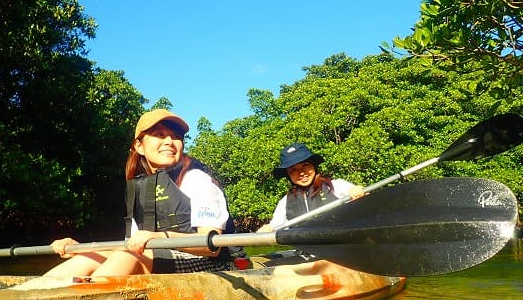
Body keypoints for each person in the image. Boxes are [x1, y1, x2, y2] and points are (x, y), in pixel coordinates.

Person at [19, 109, 239, 288]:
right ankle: (20, 298)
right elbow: (133, 243)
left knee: (128, 257)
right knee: (90, 257)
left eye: (176, 137)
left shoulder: (196, 180)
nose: (170, 142)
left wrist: (157, 237)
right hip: (158, 258)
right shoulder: (138, 187)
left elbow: (211, 246)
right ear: (139, 146)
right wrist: (81, 248)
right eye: (160, 135)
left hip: (214, 266)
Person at [258, 143, 365, 232]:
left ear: (314, 166)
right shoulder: (284, 202)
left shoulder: (337, 185)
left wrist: (358, 192)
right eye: (293, 170)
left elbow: (362, 198)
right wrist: (266, 229)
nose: (301, 173)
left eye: (305, 165)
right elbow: (274, 226)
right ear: (288, 175)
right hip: (306, 254)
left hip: (340, 249)